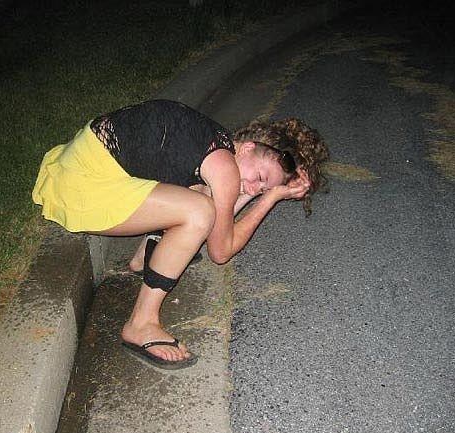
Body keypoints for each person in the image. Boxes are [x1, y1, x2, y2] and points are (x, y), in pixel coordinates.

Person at [32, 99, 329, 369]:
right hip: (80, 188)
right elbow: (221, 250)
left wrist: (255, 189)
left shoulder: (216, 143)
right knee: (198, 213)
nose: (253, 188)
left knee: (200, 201)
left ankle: (146, 258)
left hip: (76, 166)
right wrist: (270, 198)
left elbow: (220, 212)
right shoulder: (224, 169)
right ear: (249, 147)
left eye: (261, 189)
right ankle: (141, 323)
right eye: (260, 178)